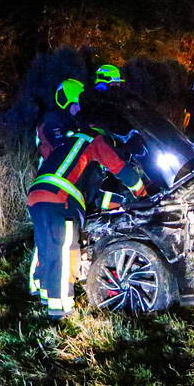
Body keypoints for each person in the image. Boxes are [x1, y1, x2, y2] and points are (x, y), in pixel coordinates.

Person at [27, 80, 148, 320]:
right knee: (63, 250)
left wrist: (120, 203)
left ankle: (42, 294)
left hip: (37, 193)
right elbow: (121, 169)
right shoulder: (94, 141)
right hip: (60, 196)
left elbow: (94, 196)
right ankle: (60, 310)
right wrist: (141, 192)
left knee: (48, 246)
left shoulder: (72, 147)